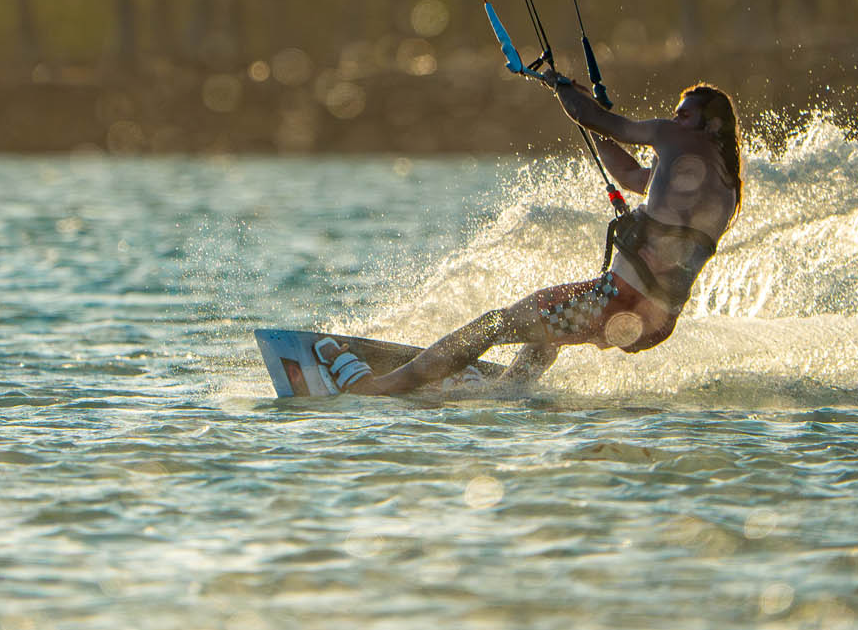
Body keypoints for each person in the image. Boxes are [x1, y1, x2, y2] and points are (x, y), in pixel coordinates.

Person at [313, 77, 744, 395]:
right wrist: (593, 121)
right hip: (653, 324)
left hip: (615, 303)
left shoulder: (674, 138)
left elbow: (594, 117)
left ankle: (381, 388)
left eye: (685, 113)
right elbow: (630, 174)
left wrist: (563, 87)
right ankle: (509, 389)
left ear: (712, 125)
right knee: (548, 329)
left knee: (495, 324)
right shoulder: (726, 188)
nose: (675, 118)